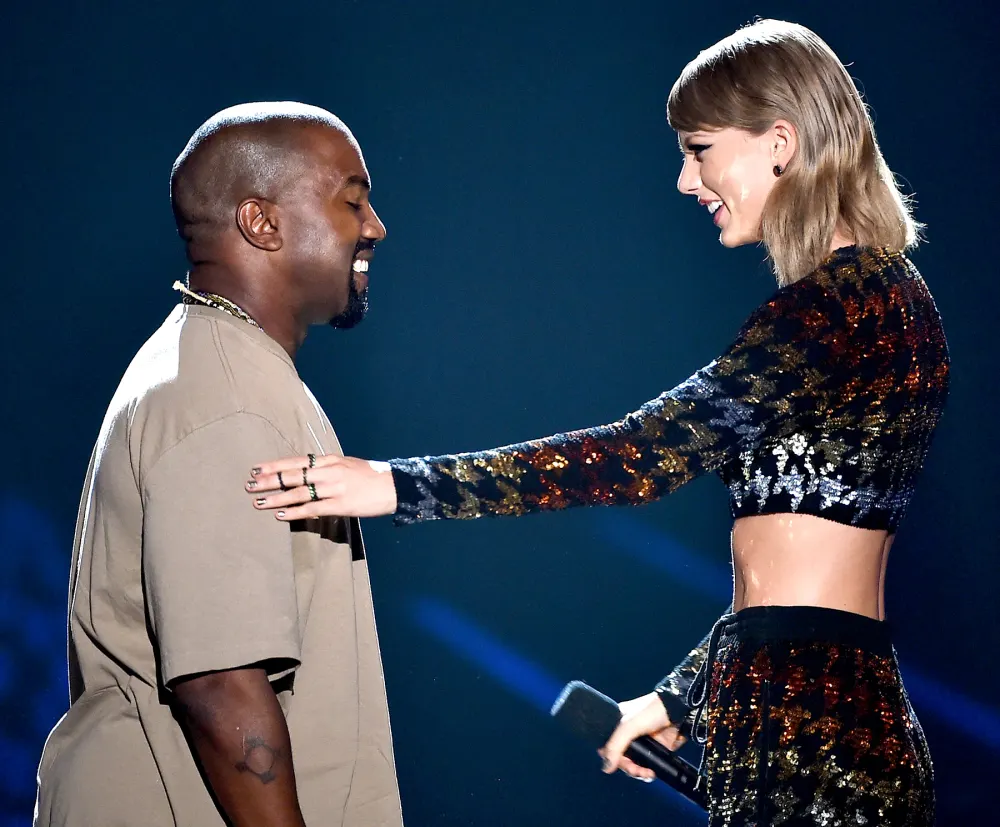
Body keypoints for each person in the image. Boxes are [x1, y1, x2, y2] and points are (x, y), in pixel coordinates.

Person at [244, 20, 947, 827]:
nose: (687, 180)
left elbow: (640, 456)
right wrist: (684, 694)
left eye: (700, 148)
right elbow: (796, 577)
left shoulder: (836, 308)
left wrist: (396, 485)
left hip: (813, 735)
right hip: (811, 712)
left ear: (779, 141)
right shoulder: (879, 301)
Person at [34, 102, 403, 827]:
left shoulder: (219, 366)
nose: (374, 226)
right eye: (353, 199)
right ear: (261, 222)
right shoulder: (226, 394)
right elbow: (220, 681)